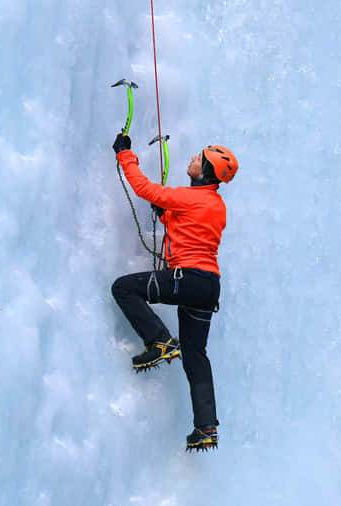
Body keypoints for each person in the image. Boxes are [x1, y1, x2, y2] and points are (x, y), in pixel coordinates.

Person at [110, 132, 238, 452]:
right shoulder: (215, 205)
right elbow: (189, 223)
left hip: (188, 278)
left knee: (123, 288)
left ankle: (160, 340)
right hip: (208, 287)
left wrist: (125, 154)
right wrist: (165, 213)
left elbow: (144, 188)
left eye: (199, 159)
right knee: (195, 355)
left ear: (206, 172)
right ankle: (206, 427)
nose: (193, 159)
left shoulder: (191, 197)